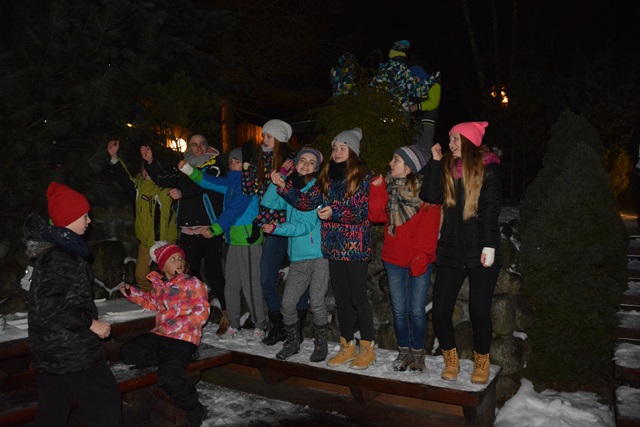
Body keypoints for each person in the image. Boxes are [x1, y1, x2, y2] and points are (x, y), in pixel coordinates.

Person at [277, 127, 376, 370]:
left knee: (358, 298)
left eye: (343, 147)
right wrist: (284, 187)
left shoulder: (362, 175)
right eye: (335, 147)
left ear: (353, 151)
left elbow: (361, 211)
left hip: (355, 246)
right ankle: (347, 347)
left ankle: (367, 349)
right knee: (341, 299)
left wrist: (335, 211)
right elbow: (306, 202)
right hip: (332, 246)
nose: (337, 151)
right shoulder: (326, 176)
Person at [24, 182, 122, 427]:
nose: (89, 221)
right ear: (69, 219)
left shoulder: (57, 251)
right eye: (84, 216)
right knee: (105, 406)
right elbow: (47, 303)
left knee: (52, 413)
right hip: (73, 351)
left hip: (52, 349)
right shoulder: (61, 255)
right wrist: (90, 323)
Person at [419, 121, 503, 384]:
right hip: (451, 249)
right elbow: (430, 196)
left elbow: (490, 210)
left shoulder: (489, 169)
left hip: (481, 248)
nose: (451, 144)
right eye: (450, 139)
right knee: (440, 312)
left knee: (479, 311)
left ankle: (482, 361)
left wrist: (489, 246)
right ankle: (451, 360)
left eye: (456, 139)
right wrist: (435, 163)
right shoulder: (446, 167)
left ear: (469, 141)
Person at [144, 133, 229, 335]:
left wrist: (182, 192)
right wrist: (150, 162)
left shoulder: (215, 166)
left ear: (207, 146)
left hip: (209, 229)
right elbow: (164, 178)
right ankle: (194, 313)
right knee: (190, 275)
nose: (198, 149)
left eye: (202, 144)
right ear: (189, 148)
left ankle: (228, 313)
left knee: (213, 272)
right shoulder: (183, 165)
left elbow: (201, 184)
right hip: (188, 230)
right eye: (194, 145)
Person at [180, 147, 267, 343]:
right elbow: (210, 181)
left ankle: (259, 325)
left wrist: (215, 228)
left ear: (246, 164)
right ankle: (234, 323)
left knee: (251, 286)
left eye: (237, 162)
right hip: (234, 240)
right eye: (231, 162)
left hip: (248, 240)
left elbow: (234, 210)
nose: (233, 165)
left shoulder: (248, 184)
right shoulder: (231, 183)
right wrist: (189, 170)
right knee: (231, 285)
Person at [119, 241, 210, 427]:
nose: (179, 262)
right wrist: (131, 292)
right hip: (160, 336)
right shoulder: (159, 285)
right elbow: (152, 303)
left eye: (180, 258)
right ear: (162, 266)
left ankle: (195, 408)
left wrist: (172, 326)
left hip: (183, 339)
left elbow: (202, 313)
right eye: (173, 259)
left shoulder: (192, 283)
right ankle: (166, 360)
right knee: (127, 352)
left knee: (169, 378)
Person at [368, 144, 441, 373]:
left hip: (419, 259)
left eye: (396, 160)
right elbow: (376, 216)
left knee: (416, 310)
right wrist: (377, 191)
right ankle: (404, 351)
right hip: (394, 258)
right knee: (399, 310)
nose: (390, 164)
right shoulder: (389, 188)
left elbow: (431, 229)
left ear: (409, 167)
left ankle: (418, 352)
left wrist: (423, 256)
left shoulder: (428, 192)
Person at [241, 119, 310, 346]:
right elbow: (249, 190)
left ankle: (296, 327)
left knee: (300, 277)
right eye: (263, 136)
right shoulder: (261, 161)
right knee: (266, 278)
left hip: (290, 227)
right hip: (272, 229)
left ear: (279, 139)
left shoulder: (293, 162)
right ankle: (279, 325)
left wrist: (281, 176)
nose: (264, 140)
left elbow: (288, 198)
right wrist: (246, 165)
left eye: (268, 136)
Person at [263, 147, 330, 362]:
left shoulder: (315, 190)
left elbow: (305, 226)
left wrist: (277, 229)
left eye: (311, 162)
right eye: (303, 160)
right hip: (298, 257)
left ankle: (321, 344)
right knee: (287, 304)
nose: (306, 165)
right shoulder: (291, 187)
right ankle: (293, 342)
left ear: (317, 168)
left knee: (317, 302)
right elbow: (269, 202)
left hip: (318, 256)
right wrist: (280, 178)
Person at [107, 139, 178, 291]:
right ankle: (152, 297)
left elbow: (164, 217)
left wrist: (162, 242)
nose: (147, 172)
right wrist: (114, 158)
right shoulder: (139, 187)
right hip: (146, 241)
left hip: (166, 240)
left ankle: (175, 298)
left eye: (150, 168)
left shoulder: (165, 188)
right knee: (140, 275)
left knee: (171, 275)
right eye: (144, 169)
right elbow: (125, 179)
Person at [370, 40, 426, 111]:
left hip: (383, 111)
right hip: (400, 113)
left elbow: (371, 91)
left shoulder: (384, 71)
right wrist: (421, 82)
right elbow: (417, 92)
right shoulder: (407, 74)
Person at [408, 65, 441, 152]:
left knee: (426, 146)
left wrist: (416, 107)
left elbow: (433, 103)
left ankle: (429, 160)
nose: (413, 81)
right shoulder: (418, 88)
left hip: (428, 120)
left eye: (414, 77)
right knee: (415, 147)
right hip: (418, 120)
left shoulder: (433, 84)